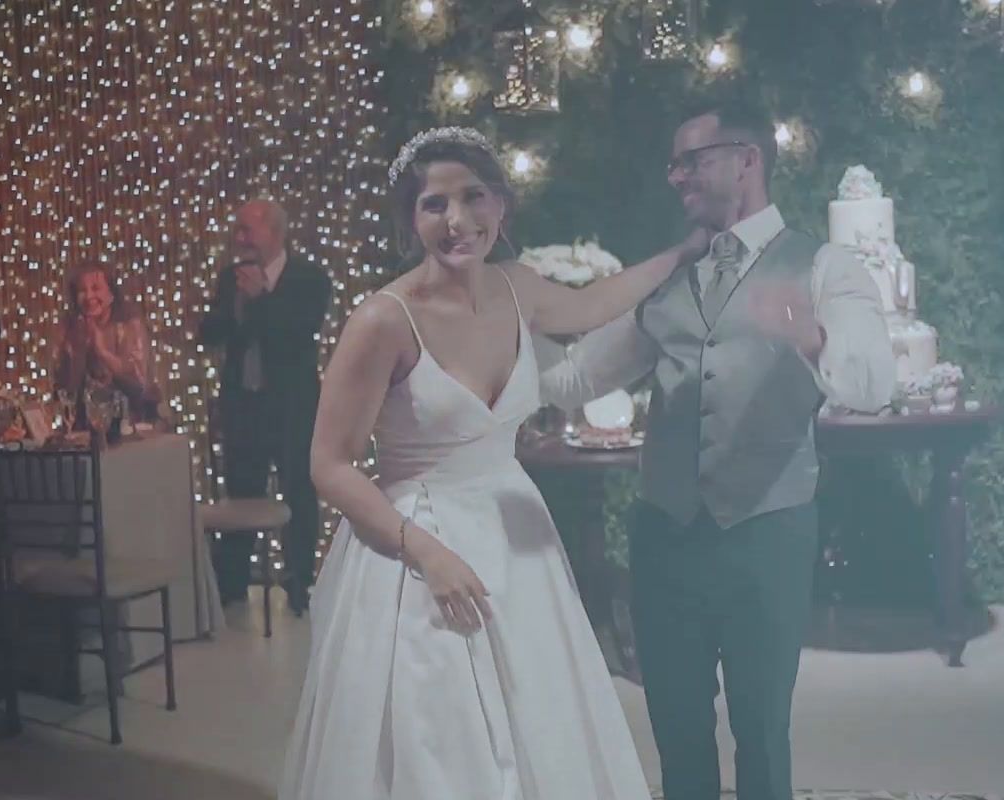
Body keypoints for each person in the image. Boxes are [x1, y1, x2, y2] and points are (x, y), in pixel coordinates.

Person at [278, 127, 708, 799]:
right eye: (433, 204)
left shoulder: (517, 288)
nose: (458, 222)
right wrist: (425, 552)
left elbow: (593, 305)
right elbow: (328, 465)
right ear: (409, 217)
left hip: (517, 540)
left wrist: (683, 252)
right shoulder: (382, 321)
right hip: (416, 547)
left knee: (540, 717)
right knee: (441, 735)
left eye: (474, 197)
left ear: (501, 207)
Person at [540, 105, 896, 800]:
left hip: (768, 533)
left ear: (747, 160)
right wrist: (488, 325)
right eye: (673, 164)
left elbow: (873, 385)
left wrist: (815, 339)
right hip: (664, 535)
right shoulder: (671, 274)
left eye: (692, 161)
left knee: (762, 730)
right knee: (675, 730)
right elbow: (577, 378)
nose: (677, 178)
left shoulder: (824, 266)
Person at [198, 200, 331, 612]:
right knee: (241, 493)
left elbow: (298, 331)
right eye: (236, 230)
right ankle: (233, 587)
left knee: (298, 494)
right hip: (244, 407)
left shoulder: (310, 277)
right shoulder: (229, 278)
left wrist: (261, 299)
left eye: (246, 230)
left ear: (274, 233)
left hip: (292, 407)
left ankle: (299, 586)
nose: (239, 239)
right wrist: (234, 306)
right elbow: (208, 334)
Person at [54, 260, 158, 427]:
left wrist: (101, 352)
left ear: (111, 293)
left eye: (95, 288)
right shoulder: (70, 329)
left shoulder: (129, 326)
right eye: (82, 290)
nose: (89, 297)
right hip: (85, 425)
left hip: (133, 420)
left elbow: (139, 383)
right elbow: (65, 389)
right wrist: (78, 352)